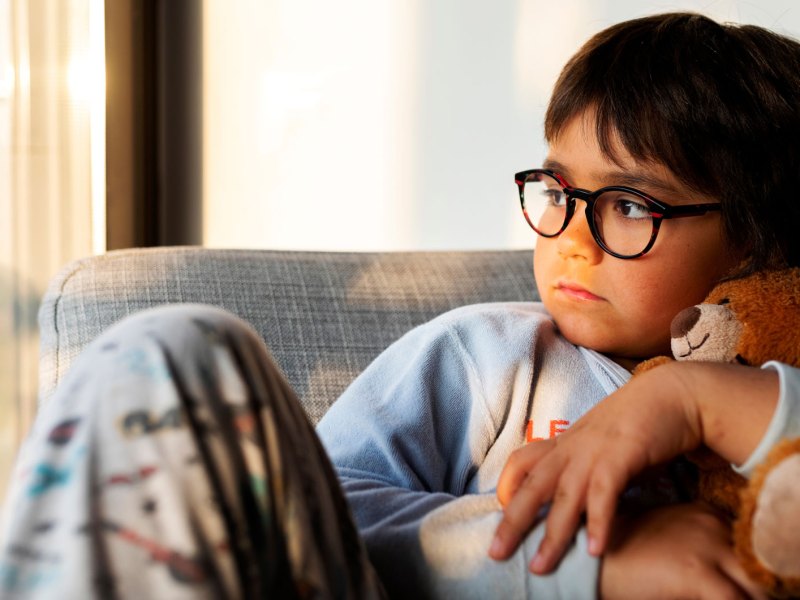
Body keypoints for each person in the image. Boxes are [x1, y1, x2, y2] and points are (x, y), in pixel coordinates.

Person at [1, 10, 799, 600]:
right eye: (557, 189)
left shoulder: (775, 376)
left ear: (759, 242)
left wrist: (693, 396)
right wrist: (590, 566)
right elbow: (320, 516)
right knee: (176, 348)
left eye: (629, 204)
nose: (573, 239)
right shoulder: (490, 356)